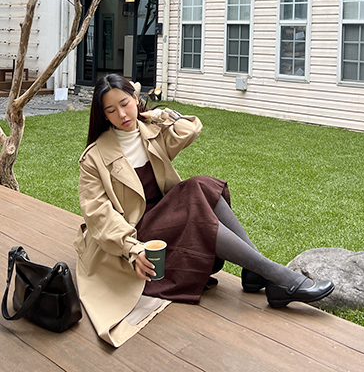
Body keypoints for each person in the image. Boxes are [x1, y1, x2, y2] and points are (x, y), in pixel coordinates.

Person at [74, 74, 334, 347]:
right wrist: (133, 249)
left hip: (167, 216)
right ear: (103, 115)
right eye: (111, 110)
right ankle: (276, 276)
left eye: (125, 104)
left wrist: (160, 115)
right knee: (194, 197)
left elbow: (190, 130)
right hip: (138, 235)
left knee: (201, 185)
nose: (122, 114)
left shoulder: (152, 132)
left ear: (136, 99)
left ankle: (259, 271)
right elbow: (98, 216)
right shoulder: (94, 158)